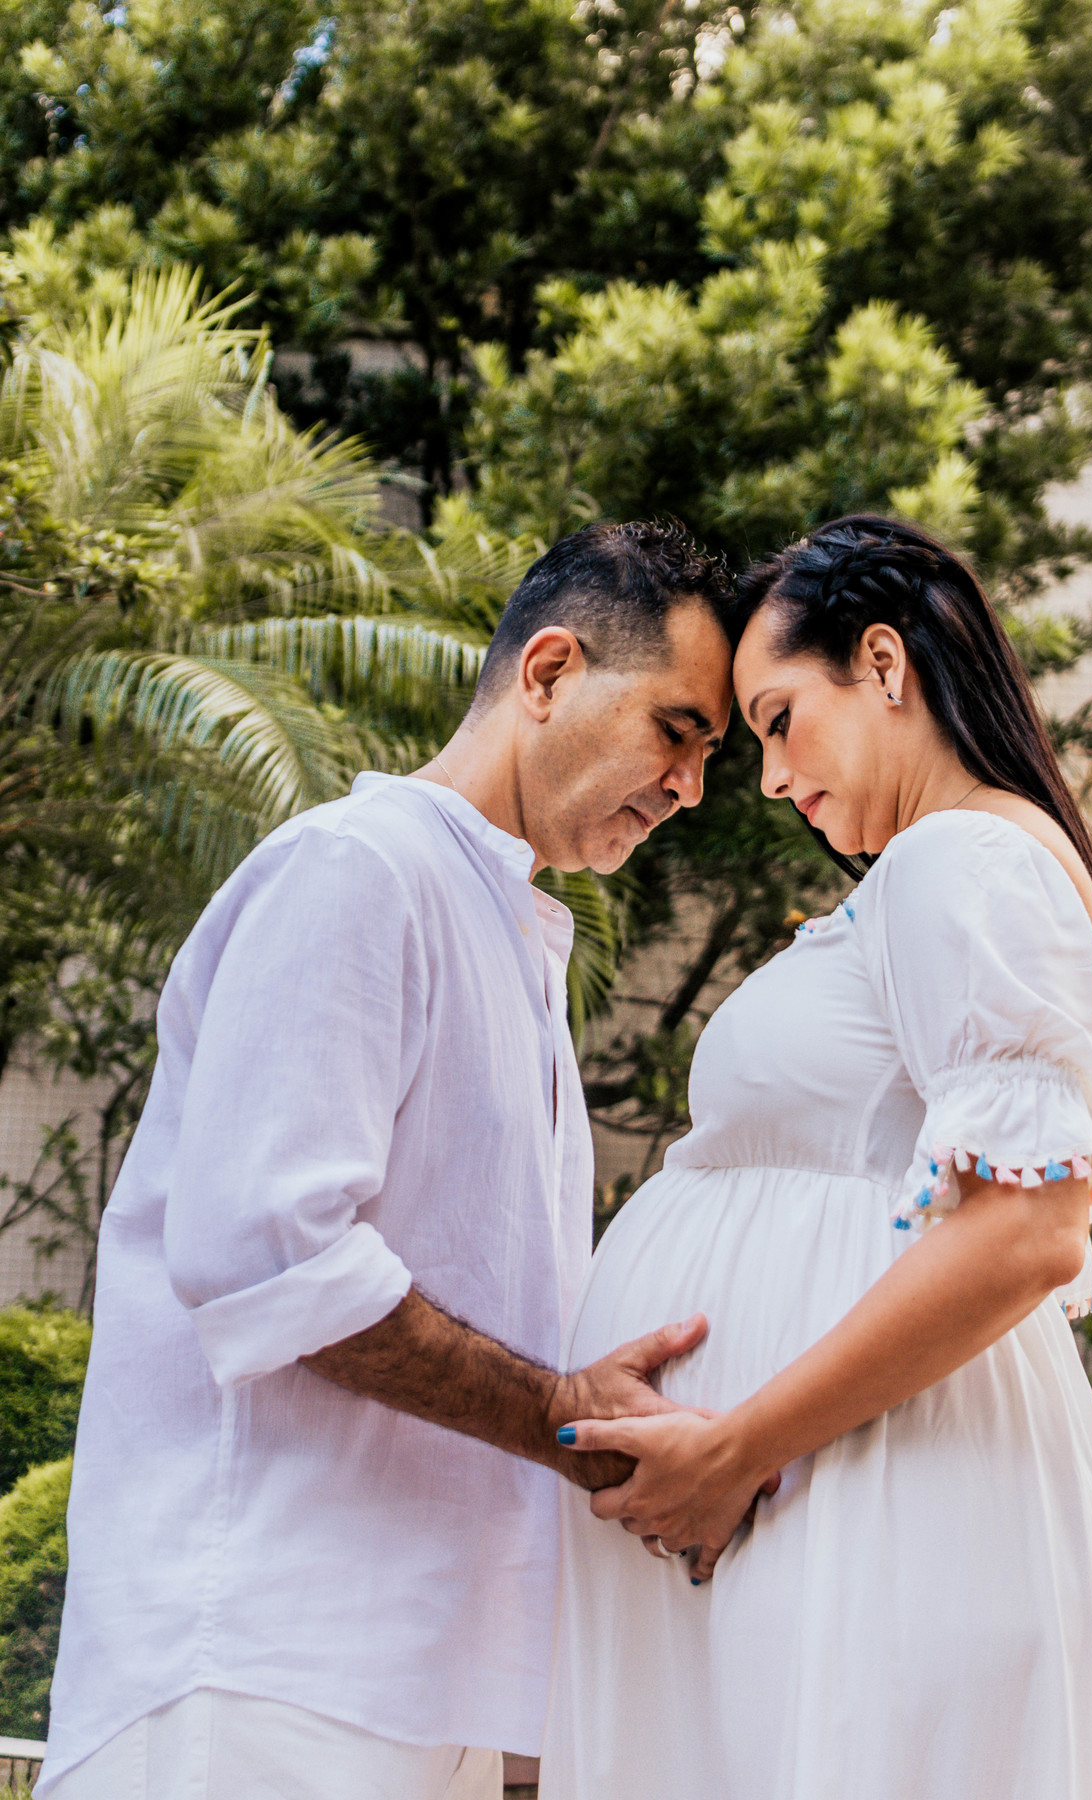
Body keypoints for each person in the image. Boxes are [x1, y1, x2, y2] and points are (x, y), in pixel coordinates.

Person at [37, 520, 737, 1800]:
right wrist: (562, 1417)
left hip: (424, 1680)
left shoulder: (508, 929)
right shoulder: (356, 870)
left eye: (710, 758)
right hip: (263, 1658)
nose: (689, 787)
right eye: (676, 730)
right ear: (548, 672)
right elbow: (271, 1256)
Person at [543, 516, 1092, 1800]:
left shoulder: (962, 856)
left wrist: (736, 1450)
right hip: (850, 1503)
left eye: (778, 721)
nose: (771, 780)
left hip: (873, 1508)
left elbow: (1028, 1231)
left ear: (883, 664)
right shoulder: (941, 872)